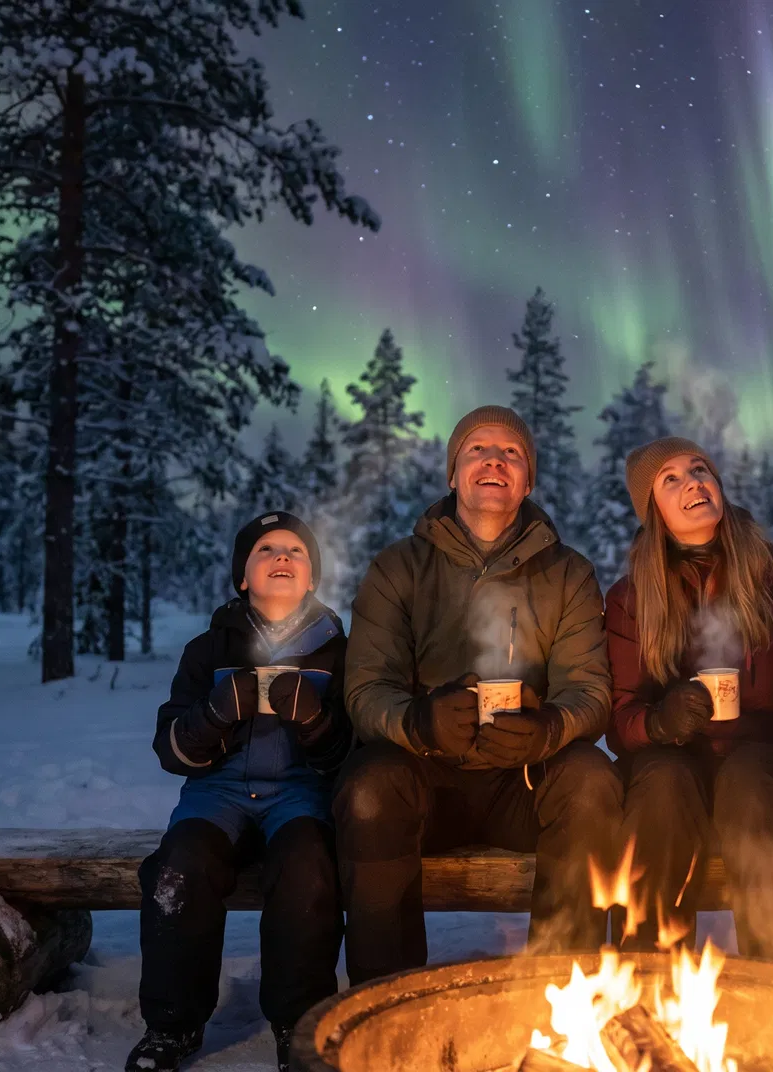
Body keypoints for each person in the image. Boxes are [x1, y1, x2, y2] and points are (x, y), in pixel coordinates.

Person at [334, 405, 621, 983]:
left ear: (528, 480)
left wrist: (549, 729)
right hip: (423, 774)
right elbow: (366, 688)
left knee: (592, 782)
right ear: (452, 474)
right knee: (368, 789)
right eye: (477, 450)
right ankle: (387, 995)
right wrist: (419, 723)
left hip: (522, 780)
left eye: (511, 452)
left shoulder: (568, 573)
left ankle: (564, 989)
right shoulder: (398, 568)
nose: (494, 460)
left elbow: (588, 689)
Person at [129, 512, 351, 1072]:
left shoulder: (338, 652)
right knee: (178, 868)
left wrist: (317, 722)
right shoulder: (207, 650)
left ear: (312, 577)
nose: (282, 557)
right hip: (217, 796)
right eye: (266, 550)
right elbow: (170, 750)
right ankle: (172, 1025)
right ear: (243, 576)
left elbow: (349, 754)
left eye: (296, 551)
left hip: (300, 796)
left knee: (309, 869)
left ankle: (300, 1023)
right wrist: (214, 713)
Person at [605, 436, 773, 963]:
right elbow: (620, 718)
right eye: (670, 479)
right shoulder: (631, 598)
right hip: (673, 760)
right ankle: (647, 971)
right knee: (661, 783)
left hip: (765, 765)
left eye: (699, 469)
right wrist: (659, 723)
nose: (692, 482)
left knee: (750, 781)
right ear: (653, 509)